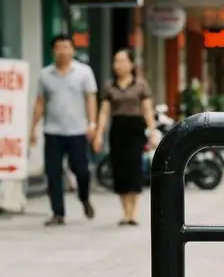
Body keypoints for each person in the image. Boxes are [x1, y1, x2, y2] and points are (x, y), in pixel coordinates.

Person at [29, 34, 98, 226]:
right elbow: (40, 103)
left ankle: (84, 198)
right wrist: (33, 128)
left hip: (77, 131)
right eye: (59, 48)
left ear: (73, 50)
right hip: (53, 131)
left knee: (82, 170)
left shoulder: (84, 72)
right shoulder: (45, 75)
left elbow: (90, 99)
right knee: (53, 173)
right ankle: (57, 212)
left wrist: (92, 123)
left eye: (67, 47)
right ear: (53, 51)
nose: (63, 51)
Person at [93, 49, 157, 225]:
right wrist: (99, 133)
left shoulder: (140, 85)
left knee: (134, 168)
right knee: (119, 169)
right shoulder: (109, 86)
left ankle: (133, 212)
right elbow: (104, 112)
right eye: (116, 61)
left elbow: (147, 110)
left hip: (135, 129)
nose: (118, 65)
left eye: (122, 61)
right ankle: (125, 211)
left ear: (131, 64)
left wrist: (152, 132)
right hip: (118, 129)